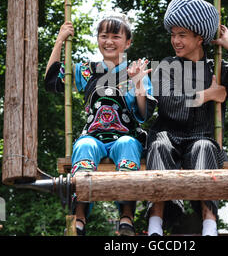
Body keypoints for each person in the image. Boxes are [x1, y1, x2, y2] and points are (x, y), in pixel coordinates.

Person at [146, 0, 228, 236]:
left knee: (204, 147)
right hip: (168, 135)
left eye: (182, 35)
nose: (175, 41)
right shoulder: (165, 67)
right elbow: (170, 106)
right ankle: (154, 226)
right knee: (158, 147)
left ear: (200, 38)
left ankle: (210, 226)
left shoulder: (217, 68)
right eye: (173, 34)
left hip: (202, 137)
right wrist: (207, 95)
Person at [45, 15, 157, 236]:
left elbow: (144, 114)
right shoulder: (86, 70)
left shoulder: (136, 70)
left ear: (128, 42)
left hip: (126, 136)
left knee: (127, 144)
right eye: (104, 36)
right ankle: (79, 217)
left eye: (116, 36)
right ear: (97, 39)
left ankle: (126, 217)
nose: (109, 41)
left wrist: (138, 86)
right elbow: (52, 82)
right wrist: (60, 40)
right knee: (83, 146)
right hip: (93, 136)